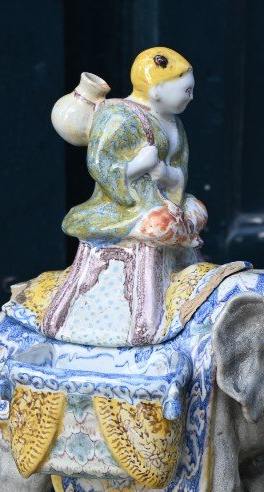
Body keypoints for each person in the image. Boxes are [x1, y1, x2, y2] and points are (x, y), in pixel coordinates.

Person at [44, 46, 208, 345]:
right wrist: (137, 166)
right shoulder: (120, 115)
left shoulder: (174, 123)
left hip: (162, 201)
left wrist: (165, 175)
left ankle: (185, 264)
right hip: (122, 206)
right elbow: (100, 165)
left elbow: (178, 171)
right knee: (163, 224)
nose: (191, 97)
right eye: (186, 90)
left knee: (197, 209)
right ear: (157, 90)